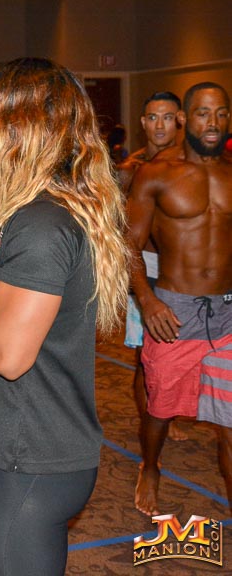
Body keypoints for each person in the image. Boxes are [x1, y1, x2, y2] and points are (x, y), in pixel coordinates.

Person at [0, 58, 128, 575]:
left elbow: (10, 356)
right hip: (48, 447)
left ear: (21, 128)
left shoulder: (38, 225)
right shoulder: (52, 211)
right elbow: (41, 314)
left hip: (31, 458)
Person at [127, 82, 232, 517]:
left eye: (222, 113)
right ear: (186, 119)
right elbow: (128, 246)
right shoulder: (156, 174)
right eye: (204, 114)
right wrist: (148, 301)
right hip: (175, 310)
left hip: (228, 313)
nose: (214, 123)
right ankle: (151, 466)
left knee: (230, 424)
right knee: (160, 407)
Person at [117, 92, 182, 427]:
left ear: (179, 120)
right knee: (146, 355)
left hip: (182, 270)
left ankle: (168, 416)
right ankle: (151, 426)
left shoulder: (190, 165)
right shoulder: (130, 170)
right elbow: (117, 226)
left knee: (180, 349)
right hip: (145, 266)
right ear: (143, 122)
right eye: (153, 117)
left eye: (167, 117)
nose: (159, 125)